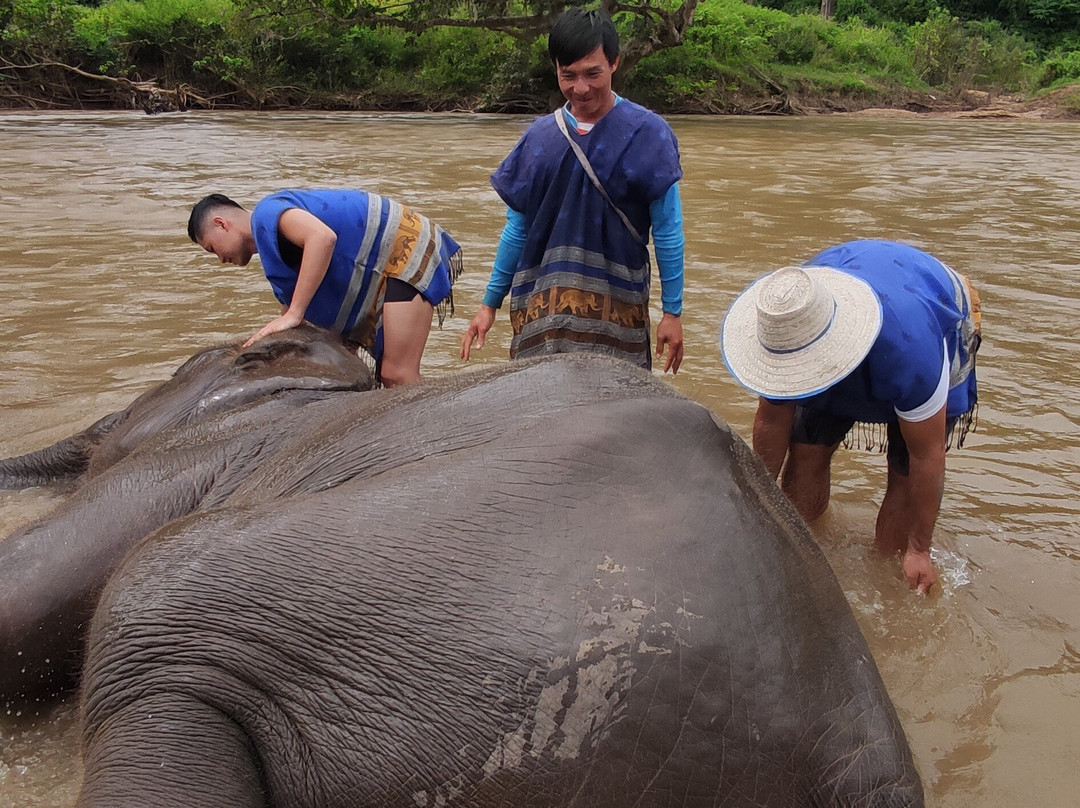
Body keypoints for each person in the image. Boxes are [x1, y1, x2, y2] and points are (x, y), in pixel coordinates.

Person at [720, 239, 982, 595]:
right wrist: (758, 503)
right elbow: (773, 418)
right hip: (845, 293)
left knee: (904, 474)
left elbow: (926, 454)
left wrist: (919, 548)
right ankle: (801, 557)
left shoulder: (911, 355)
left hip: (924, 315)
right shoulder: (787, 317)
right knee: (806, 451)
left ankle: (891, 575)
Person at [460, 7, 685, 373]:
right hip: (540, 320)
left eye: (592, 73)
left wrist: (672, 312)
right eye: (569, 75)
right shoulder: (538, 139)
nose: (580, 88)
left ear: (614, 63)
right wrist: (489, 305)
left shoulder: (650, 135)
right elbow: (517, 230)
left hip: (618, 320)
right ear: (556, 71)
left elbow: (668, 231)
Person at [188, 189, 462, 387]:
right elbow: (300, 319)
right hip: (388, 263)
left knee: (397, 374)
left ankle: (432, 443)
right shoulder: (274, 257)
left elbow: (322, 238)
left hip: (403, 249)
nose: (220, 259)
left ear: (221, 224)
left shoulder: (267, 213)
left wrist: (294, 313)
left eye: (212, 248)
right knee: (388, 378)